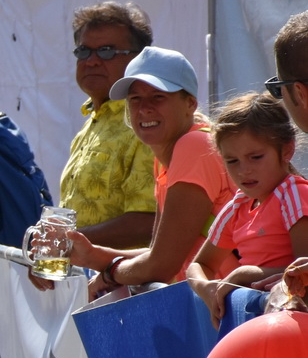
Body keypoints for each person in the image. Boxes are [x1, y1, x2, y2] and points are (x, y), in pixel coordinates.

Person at [68, 47, 234, 296]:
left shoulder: (194, 146)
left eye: (158, 97)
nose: (144, 108)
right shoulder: (169, 157)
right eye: (135, 99)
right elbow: (158, 253)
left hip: (230, 312)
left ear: (190, 104)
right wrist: (92, 254)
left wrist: (109, 270)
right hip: (216, 309)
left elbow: (161, 267)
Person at [184, 92, 308, 323]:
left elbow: (304, 270)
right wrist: (207, 290)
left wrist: (244, 275)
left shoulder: (293, 194)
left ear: (286, 151)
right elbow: (199, 266)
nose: (244, 170)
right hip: (258, 323)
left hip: (293, 325)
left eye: (256, 157)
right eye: (232, 161)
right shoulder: (237, 206)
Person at [58, 3, 158, 248]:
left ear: (138, 58)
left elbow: (149, 223)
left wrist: (65, 241)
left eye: (106, 51)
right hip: (91, 279)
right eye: (83, 51)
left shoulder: (148, 120)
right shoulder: (93, 120)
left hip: (133, 282)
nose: (91, 61)